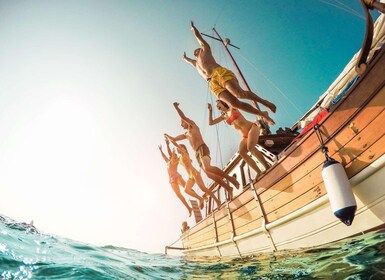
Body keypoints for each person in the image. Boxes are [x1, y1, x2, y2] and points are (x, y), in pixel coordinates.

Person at [182, 21, 276, 125]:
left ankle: (265, 102)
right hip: (212, 84)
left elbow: (199, 38)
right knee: (234, 104)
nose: (195, 51)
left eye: (196, 49)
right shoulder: (196, 63)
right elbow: (190, 62)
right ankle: (262, 114)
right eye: (194, 52)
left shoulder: (205, 49)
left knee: (239, 94)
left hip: (218, 73)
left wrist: (193, 29)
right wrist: (185, 58)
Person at [165, 102, 240, 201]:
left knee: (207, 167)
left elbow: (183, 116)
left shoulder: (192, 126)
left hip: (202, 148)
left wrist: (176, 107)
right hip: (197, 154)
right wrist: (167, 137)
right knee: (208, 174)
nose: (181, 125)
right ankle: (228, 188)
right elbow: (174, 139)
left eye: (181, 123)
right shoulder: (186, 134)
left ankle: (231, 179)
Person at [208, 100, 271, 177]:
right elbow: (211, 123)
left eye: (218, 104)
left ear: (223, 103)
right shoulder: (223, 116)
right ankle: (259, 172)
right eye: (216, 106)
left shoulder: (232, 107)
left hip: (252, 128)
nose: (217, 106)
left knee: (250, 147)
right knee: (242, 152)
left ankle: (267, 166)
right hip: (245, 136)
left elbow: (240, 104)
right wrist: (210, 110)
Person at [166, 136, 221, 208]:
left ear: (183, 148)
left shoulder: (185, 153)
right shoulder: (179, 158)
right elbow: (170, 155)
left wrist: (171, 140)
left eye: (179, 147)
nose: (177, 149)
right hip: (190, 176)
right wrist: (168, 145)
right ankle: (200, 199)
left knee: (203, 188)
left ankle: (217, 200)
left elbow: (177, 145)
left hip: (194, 173)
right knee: (186, 190)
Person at [159, 138, 193, 216]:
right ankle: (189, 208)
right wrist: (161, 150)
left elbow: (169, 152)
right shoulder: (168, 161)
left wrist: (167, 144)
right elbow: (164, 156)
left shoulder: (176, 160)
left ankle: (199, 197)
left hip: (177, 176)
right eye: (172, 155)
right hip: (171, 180)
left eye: (174, 155)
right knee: (179, 195)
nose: (173, 155)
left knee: (186, 188)